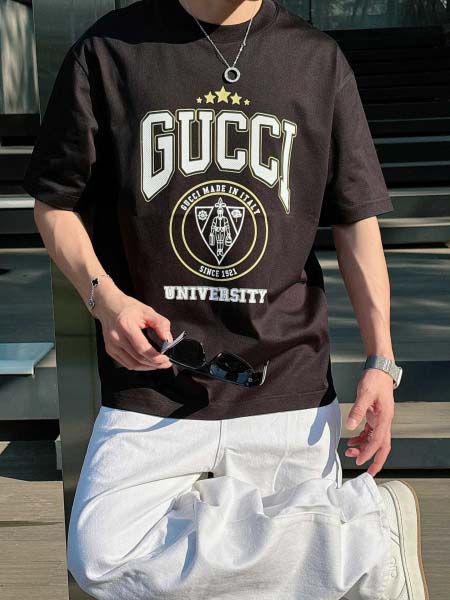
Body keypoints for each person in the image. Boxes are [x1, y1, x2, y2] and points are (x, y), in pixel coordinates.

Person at [23, 0, 429, 598]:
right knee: (102, 554)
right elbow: (54, 203)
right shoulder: (109, 51)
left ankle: (358, 537)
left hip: (285, 380)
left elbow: (356, 220)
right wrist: (106, 302)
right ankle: (365, 537)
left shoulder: (316, 60)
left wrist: (382, 361)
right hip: (154, 379)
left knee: (285, 586)